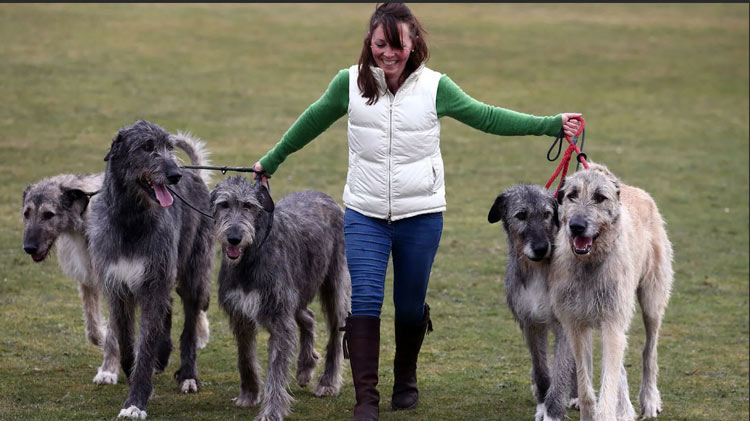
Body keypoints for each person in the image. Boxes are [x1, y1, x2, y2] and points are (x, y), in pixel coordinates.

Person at [252, 3, 582, 420]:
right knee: (365, 304)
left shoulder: (435, 87)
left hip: (421, 215)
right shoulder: (348, 83)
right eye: (379, 45)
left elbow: (487, 116)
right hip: (365, 214)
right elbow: (312, 119)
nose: (388, 53)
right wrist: (271, 161)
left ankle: (405, 378)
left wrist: (550, 124)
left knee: (410, 307)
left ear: (414, 44)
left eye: (397, 45)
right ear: (369, 43)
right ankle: (366, 400)